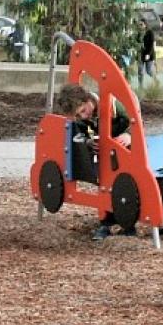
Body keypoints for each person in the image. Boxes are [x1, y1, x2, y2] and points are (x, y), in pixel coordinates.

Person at [55, 84, 133, 241]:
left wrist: (129, 135)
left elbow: (135, 119)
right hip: (106, 152)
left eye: (83, 110)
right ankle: (106, 222)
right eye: (78, 115)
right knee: (105, 183)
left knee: (125, 184)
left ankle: (128, 224)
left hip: (125, 148)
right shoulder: (85, 117)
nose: (84, 116)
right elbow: (83, 132)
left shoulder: (112, 103)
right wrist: (90, 142)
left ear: (88, 99)